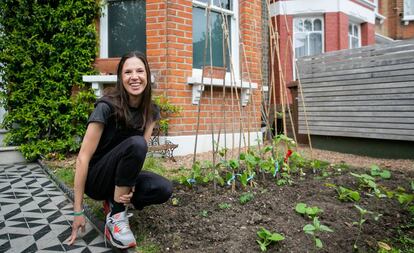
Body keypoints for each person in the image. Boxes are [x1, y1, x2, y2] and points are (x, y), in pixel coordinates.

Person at [68, 51, 173, 249]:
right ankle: (117, 216)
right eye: (128, 72)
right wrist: (77, 211)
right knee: (136, 143)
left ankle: (113, 201)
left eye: (140, 71)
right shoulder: (106, 107)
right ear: (121, 78)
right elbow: (83, 158)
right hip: (97, 178)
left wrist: (131, 181)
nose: (134, 77)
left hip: (121, 174)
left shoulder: (151, 111)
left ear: (147, 75)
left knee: (163, 188)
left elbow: (140, 152)